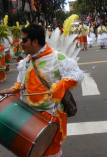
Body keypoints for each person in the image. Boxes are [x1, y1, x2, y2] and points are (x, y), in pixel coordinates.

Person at [0, 24, 83, 157]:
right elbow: (21, 82)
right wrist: (13, 89)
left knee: (50, 152)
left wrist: (59, 86)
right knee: (33, 151)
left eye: (24, 40)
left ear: (35, 41)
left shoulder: (56, 57)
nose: (21, 44)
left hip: (52, 115)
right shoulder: (26, 61)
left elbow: (76, 75)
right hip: (31, 114)